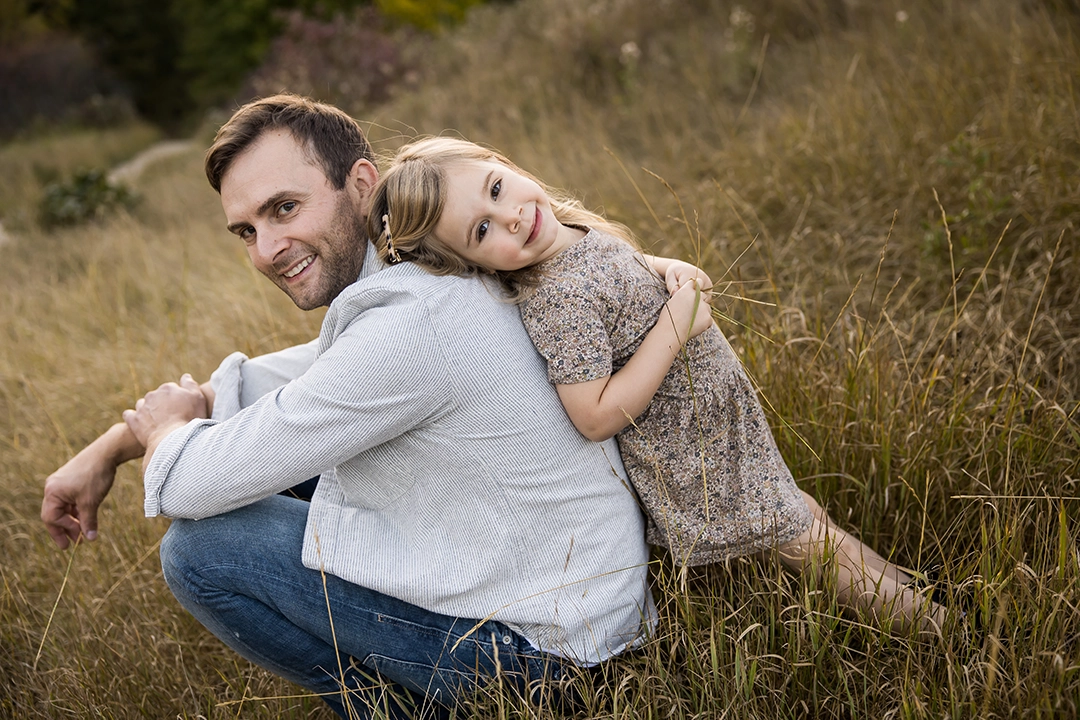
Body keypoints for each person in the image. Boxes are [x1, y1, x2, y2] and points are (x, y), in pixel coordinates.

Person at [42, 95, 657, 720]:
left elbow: (187, 483)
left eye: (285, 209)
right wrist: (109, 449)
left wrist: (168, 433)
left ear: (361, 183)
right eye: (247, 231)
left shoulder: (408, 329)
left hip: (548, 666)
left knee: (204, 550)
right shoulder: (431, 266)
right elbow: (269, 389)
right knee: (291, 462)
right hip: (583, 616)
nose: (266, 250)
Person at [365, 136, 945, 633]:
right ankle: (946, 632)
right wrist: (677, 322)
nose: (511, 216)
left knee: (804, 516)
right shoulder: (557, 299)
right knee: (805, 543)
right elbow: (592, 414)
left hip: (718, 423)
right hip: (692, 454)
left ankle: (920, 590)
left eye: (495, 189)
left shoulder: (569, 232)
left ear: (503, 163)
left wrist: (664, 269)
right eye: (483, 229)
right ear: (475, 264)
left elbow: (618, 273)